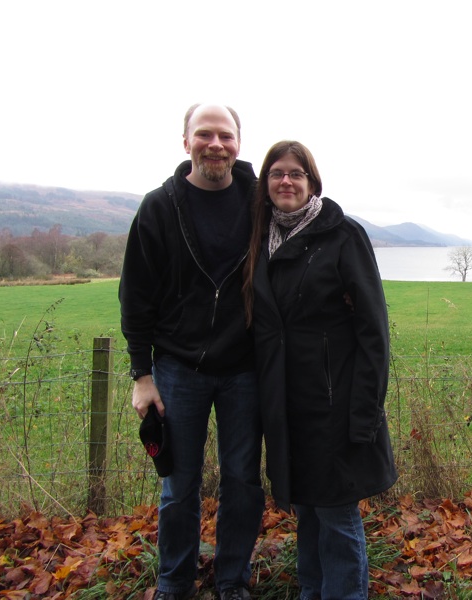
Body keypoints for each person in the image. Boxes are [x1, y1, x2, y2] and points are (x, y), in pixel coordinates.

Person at [119, 103, 264, 600]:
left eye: (225, 135)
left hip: (245, 368)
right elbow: (134, 297)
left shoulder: (259, 199)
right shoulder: (160, 206)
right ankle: (174, 583)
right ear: (186, 143)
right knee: (179, 487)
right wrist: (142, 374)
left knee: (243, 481)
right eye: (205, 135)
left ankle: (232, 580)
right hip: (179, 368)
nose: (216, 145)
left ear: (238, 144)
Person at [242, 141, 398, 600]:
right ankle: (313, 591)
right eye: (276, 173)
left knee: (336, 513)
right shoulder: (261, 240)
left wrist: (366, 412)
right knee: (308, 510)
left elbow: (375, 333)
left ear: (312, 182)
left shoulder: (343, 235)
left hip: (336, 402)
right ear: (264, 184)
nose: (285, 181)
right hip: (287, 404)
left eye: (296, 173)